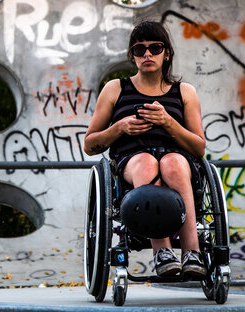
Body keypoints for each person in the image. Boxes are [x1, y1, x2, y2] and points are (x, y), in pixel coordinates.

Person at [83, 21, 207, 277]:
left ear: (167, 53)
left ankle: (191, 251)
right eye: (140, 50)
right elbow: (90, 144)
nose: (147, 54)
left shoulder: (184, 92)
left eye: (155, 48)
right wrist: (119, 128)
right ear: (132, 56)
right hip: (132, 161)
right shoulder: (115, 89)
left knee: (172, 163)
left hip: (177, 159)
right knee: (147, 162)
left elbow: (199, 148)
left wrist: (168, 123)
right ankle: (161, 251)